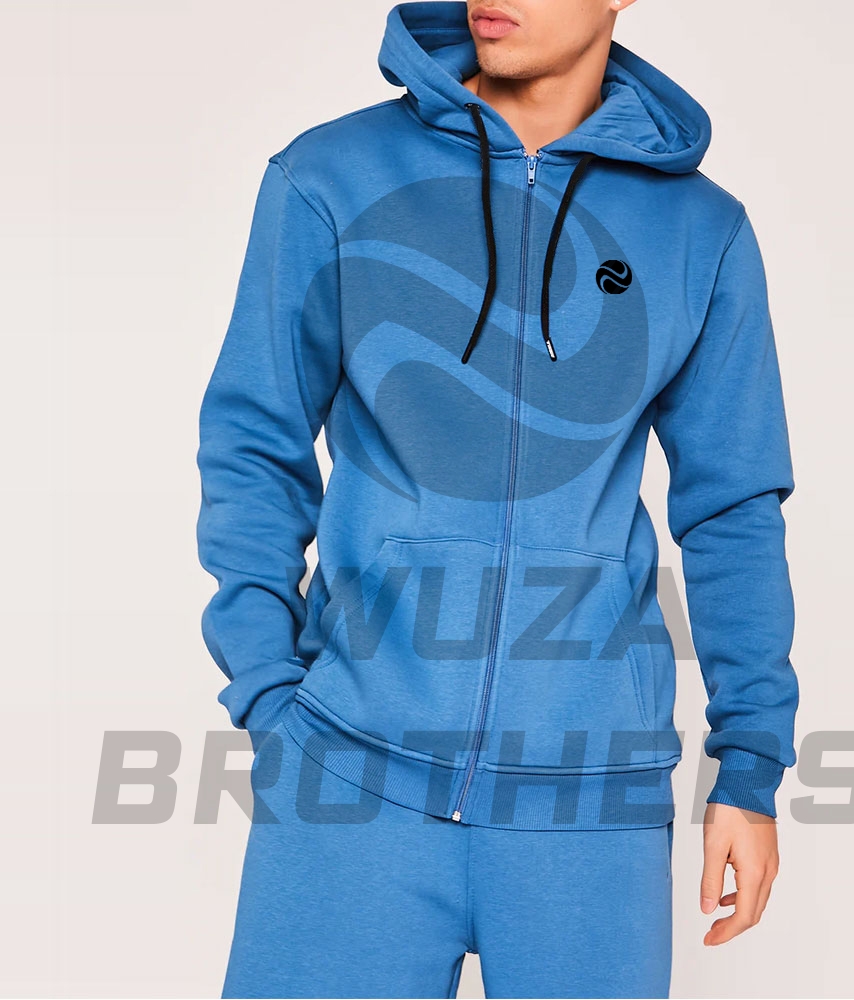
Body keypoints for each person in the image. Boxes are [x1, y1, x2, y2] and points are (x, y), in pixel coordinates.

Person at [195, 1, 799, 996]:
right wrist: (269, 695)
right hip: (350, 778)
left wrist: (749, 767)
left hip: (592, 806)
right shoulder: (332, 177)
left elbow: (732, 510)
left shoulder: (700, 232)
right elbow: (254, 439)